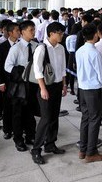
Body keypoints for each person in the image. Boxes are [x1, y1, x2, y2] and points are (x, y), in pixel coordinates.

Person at [30, 22, 67, 164]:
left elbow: (63, 69)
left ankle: (50, 144)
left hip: (57, 86)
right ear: (51, 33)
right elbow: (37, 71)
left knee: (54, 117)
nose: (62, 35)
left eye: (62, 33)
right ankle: (36, 149)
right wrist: (43, 89)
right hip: (45, 87)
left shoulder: (61, 48)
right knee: (45, 118)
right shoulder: (41, 48)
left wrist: (64, 85)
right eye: (60, 33)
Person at [75, 24, 102, 162]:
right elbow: (101, 74)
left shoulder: (80, 51)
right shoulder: (95, 53)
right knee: (95, 120)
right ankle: (91, 152)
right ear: (95, 34)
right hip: (93, 89)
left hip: (82, 88)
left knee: (85, 118)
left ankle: (83, 149)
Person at [4, 21, 38, 152]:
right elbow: (7, 66)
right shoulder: (16, 48)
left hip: (33, 85)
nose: (33, 32)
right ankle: (18, 139)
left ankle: (30, 135)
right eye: (31, 30)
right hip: (20, 87)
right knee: (18, 114)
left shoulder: (37, 46)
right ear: (22, 32)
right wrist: (21, 72)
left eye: (34, 30)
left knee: (30, 112)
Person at [0, 22, 20, 139]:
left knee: (18, 107)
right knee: (7, 106)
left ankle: (18, 129)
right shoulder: (1, 47)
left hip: (19, 82)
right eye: (17, 31)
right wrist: (1, 82)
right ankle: (7, 129)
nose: (19, 32)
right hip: (6, 82)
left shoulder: (22, 45)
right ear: (10, 33)